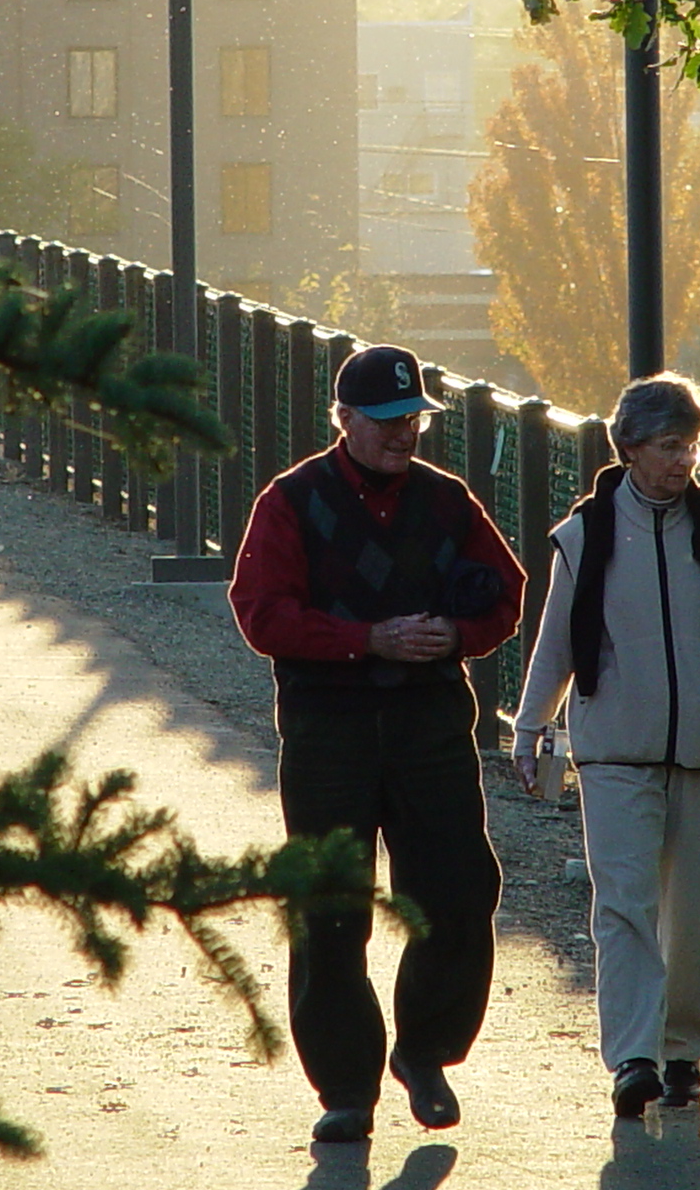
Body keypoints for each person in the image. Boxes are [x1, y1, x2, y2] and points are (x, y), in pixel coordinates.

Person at [229, 343, 526, 1145]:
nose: (403, 433)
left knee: (458, 890)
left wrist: (457, 634)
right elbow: (261, 613)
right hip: (329, 729)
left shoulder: (448, 500)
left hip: (432, 724)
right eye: (388, 419)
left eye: (414, 419)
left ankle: (425, 1052)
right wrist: (368, 640)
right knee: (331, 907)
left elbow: (506, 594)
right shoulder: (291, 501)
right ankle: (345, 1088)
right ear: (345, 418)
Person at [511, 371, 700, 1118]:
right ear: (631, 448)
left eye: (692, 445)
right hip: (613, 752)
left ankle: (681, 1051)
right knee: (624, 907)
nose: (684, 460)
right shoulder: (585, 534)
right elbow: (555, 641)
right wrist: (530, 727)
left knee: (694, 918)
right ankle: (633, 1057)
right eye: (670, 445)